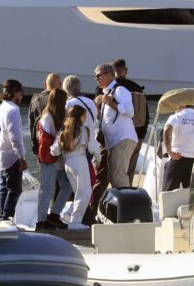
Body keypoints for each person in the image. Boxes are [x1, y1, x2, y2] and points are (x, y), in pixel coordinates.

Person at [53, 105, 99, 226]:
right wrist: (98, 160)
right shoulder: (84, 130)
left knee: (78, 192)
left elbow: (54, 151)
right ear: (80, 117)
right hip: (80, 161)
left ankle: (75, 219)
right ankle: (75, 221)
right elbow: (93, 147)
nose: (86, 118)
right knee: (85, 193)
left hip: (68, 163)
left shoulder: (63, 131)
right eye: (84, 115)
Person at [95, 62, 137, 190]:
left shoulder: (120, 90)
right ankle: (122, 207)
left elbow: (130, 112)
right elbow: (105, 119)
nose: (96, 79)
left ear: (109, 75)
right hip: (113, 141)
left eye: (99, 76)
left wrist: (110, 102)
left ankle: (127, 208)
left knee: (118, 177)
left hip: (122, 139)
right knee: (114, 177)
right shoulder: (107, 94)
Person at [36, 88, 72, 231]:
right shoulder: (47, 117)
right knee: (47, 190)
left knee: (67, 185)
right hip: (48, 160)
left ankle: (54, 214)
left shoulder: (57, 115)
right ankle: (41, 220)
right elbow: (45, 140)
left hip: (58, 159)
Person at [0, 79, 26, 220]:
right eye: (20, 93)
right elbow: (15, 137)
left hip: (0, 154)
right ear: (15, 93)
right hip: (12, 156)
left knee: (5, 187)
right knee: (15, 189)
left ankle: (3, 217)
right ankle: (7, 217)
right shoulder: (13, 109)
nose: (22, 96)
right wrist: (22, 157)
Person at [29, 73, 62, 155]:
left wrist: (34, 144)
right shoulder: (62, 101)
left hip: (40, 144)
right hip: (57, 147)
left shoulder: (35, 99)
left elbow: (31, 123)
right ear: (60, 85)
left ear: (45, 84)